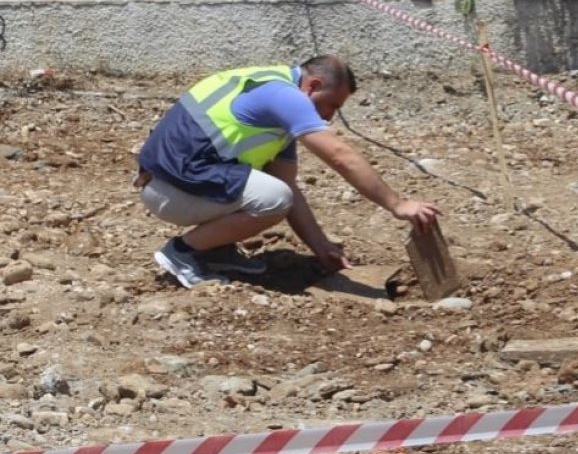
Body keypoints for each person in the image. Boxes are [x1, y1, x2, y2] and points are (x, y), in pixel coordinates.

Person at [135, 54, 440, 288]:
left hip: (183, 181)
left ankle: (213, 250)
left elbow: (289, 187)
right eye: (332, 105)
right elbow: (340, 156)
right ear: (313, 86)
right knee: (271, 198)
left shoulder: (274, 103)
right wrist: (397, 205)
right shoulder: (283, 96)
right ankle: (182, 252)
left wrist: (321, 246)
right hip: (170, 188)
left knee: (276, 193)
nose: (329, 117)